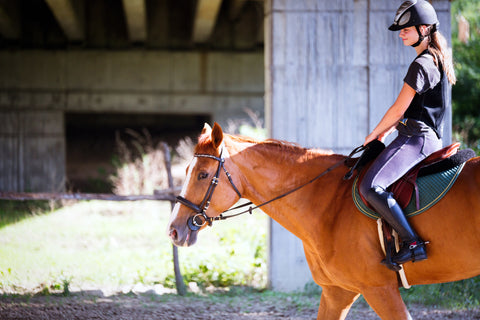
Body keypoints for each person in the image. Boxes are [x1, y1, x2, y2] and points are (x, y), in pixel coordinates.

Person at [359, 0, 456, 267]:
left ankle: (413, 244)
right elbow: (412, 110)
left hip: (416, 138)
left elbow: (398, 108)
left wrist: (373, 134)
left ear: (424, 29)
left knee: (370, 186)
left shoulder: (422, 64)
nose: (401, 33)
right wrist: (385, 133)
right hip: (417, 134)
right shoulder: (432, 59)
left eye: (405, 29)